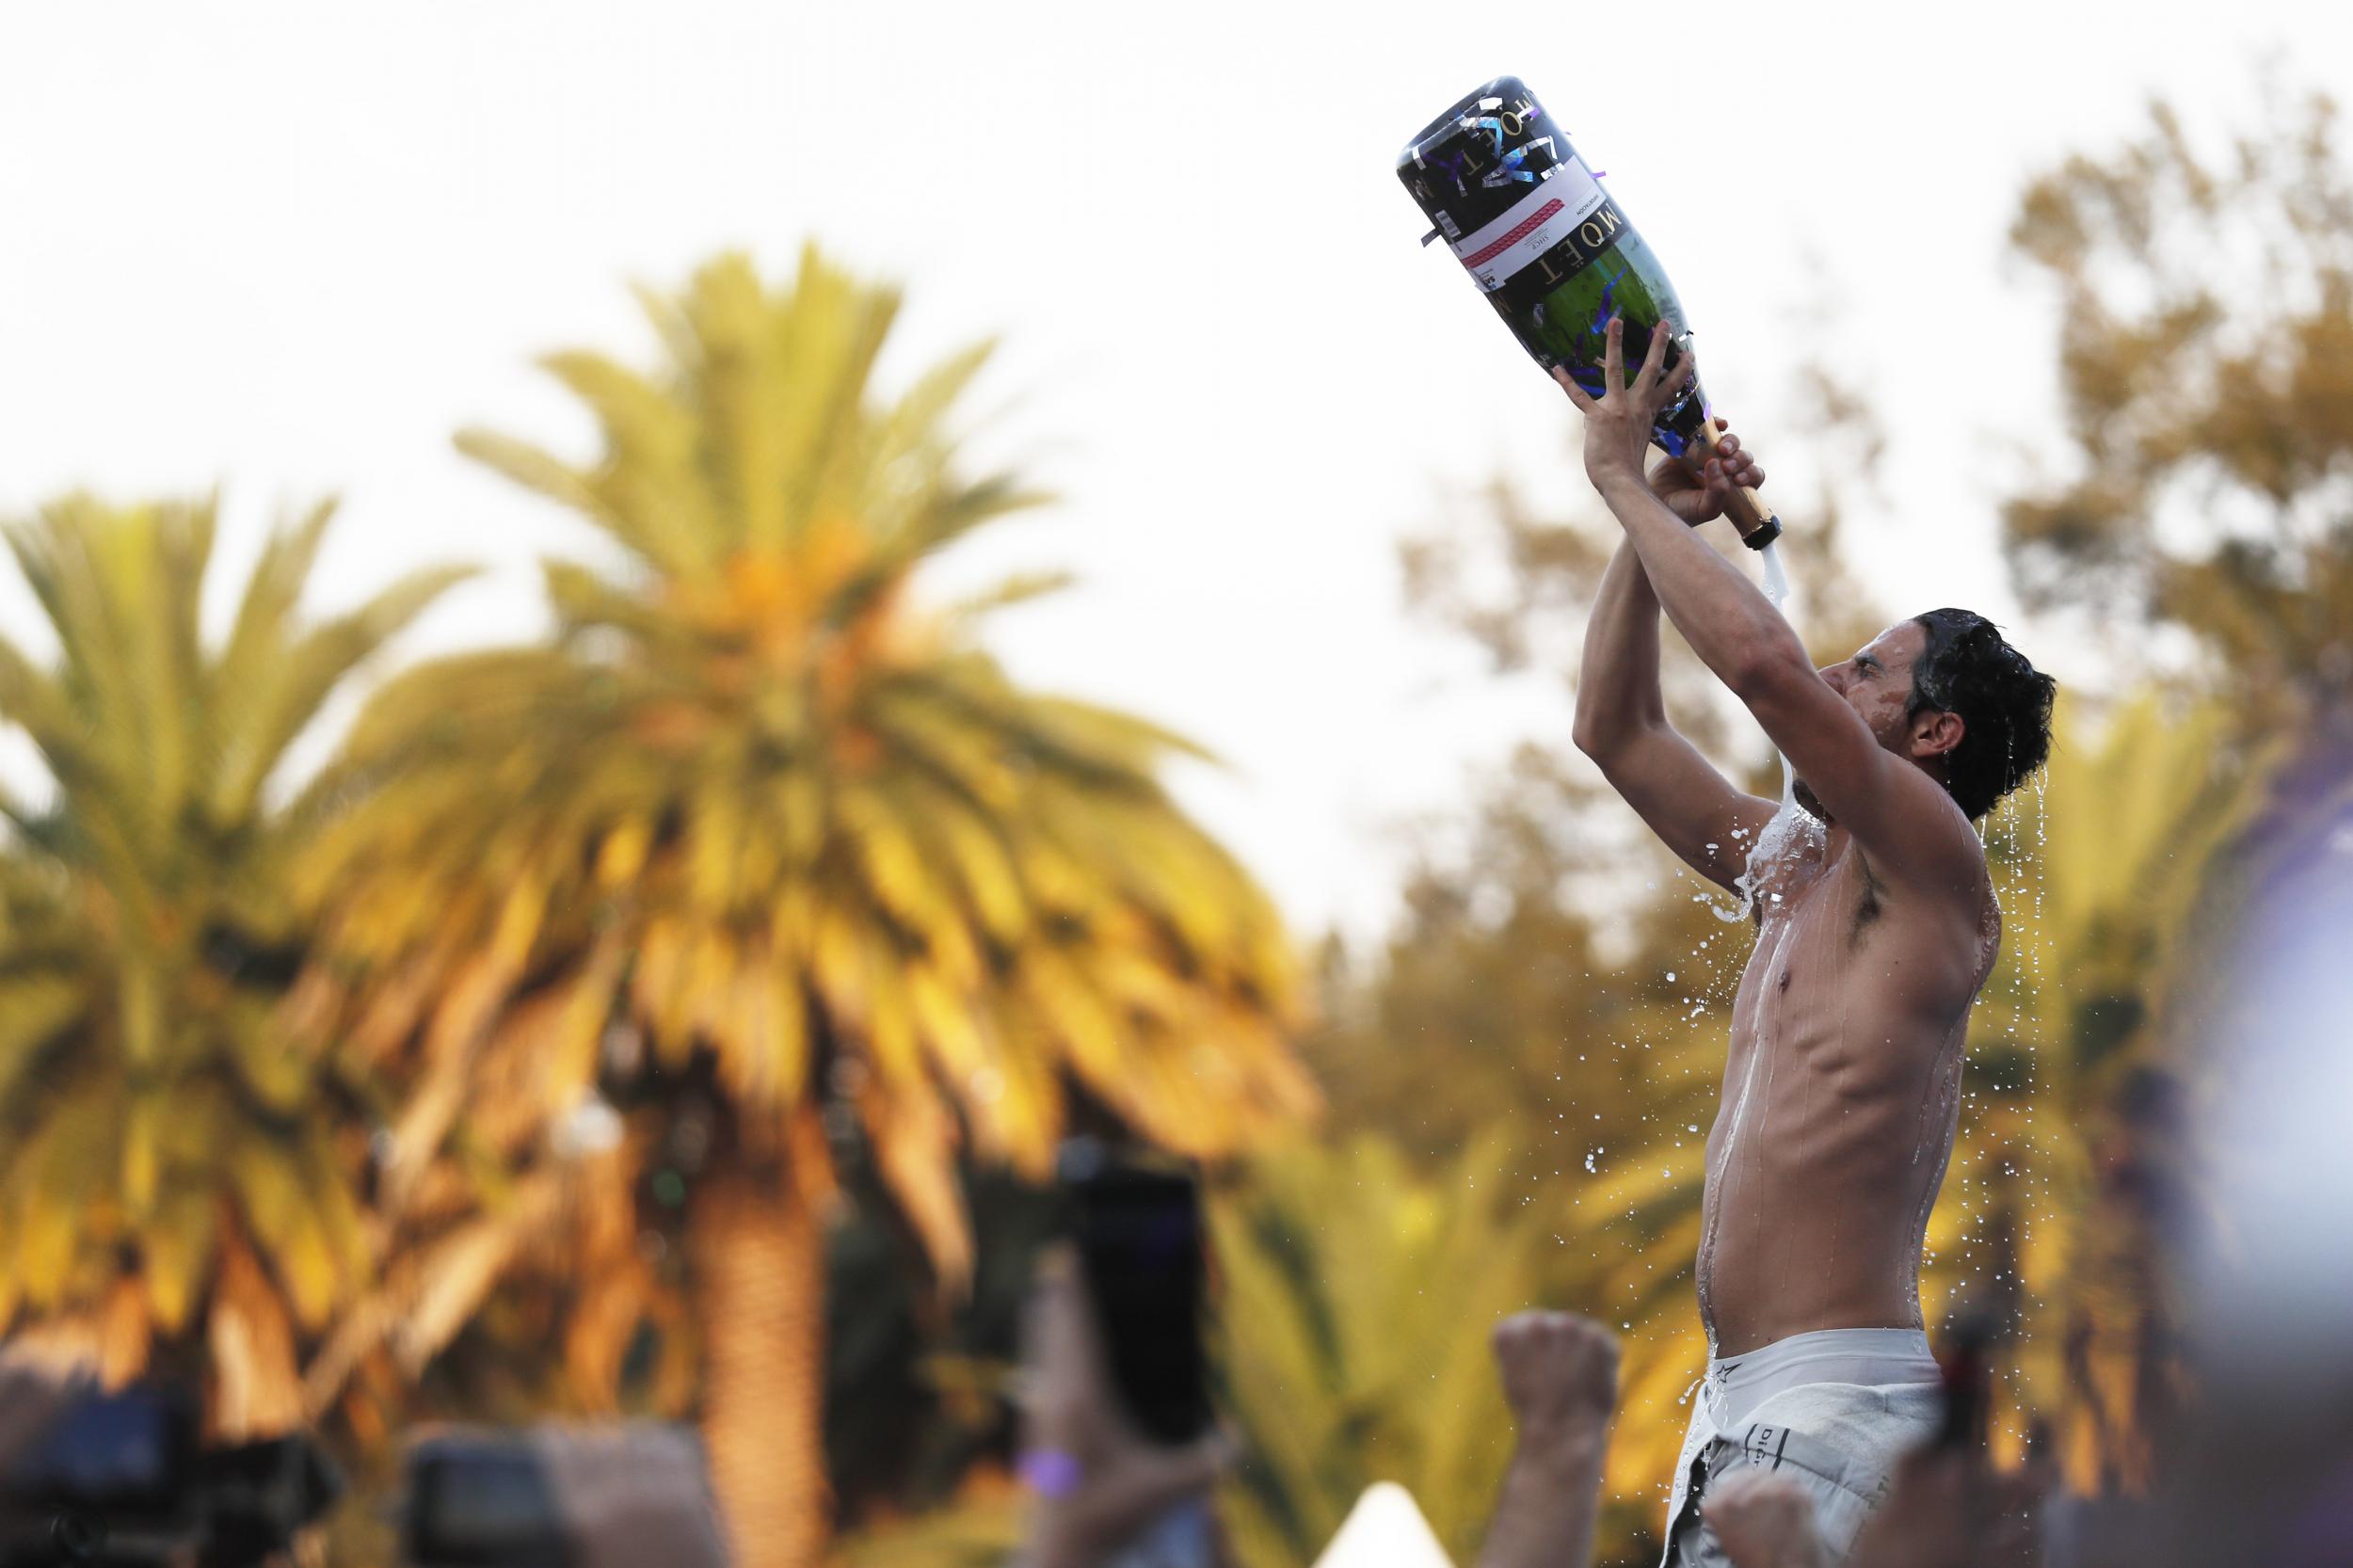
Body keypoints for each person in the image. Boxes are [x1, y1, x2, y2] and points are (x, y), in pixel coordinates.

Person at [1556, 318, 2057, 1566]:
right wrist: (1649, 518)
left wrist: (1620, 475)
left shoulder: (1934, 867)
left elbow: (1770, 671)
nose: (1836, 675)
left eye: (1872, 671)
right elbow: (1614, 731)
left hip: (1831, 1416)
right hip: (1744, 1412)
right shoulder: (1794, 869)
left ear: (1933, 738)